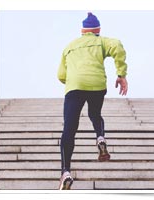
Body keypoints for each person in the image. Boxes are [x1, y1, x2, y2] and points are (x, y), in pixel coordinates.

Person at [57, 12, 128, 190]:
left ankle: (65, 171)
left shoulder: (69, 46)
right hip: (97, 85)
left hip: (75, 86)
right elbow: (117, 45)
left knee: (69, 128)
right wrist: (121, 74)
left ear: (82, 31)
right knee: (95, 114)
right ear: (97, 30)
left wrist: (74, 79)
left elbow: (61, 75)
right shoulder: (102, 41)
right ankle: (100, 137)